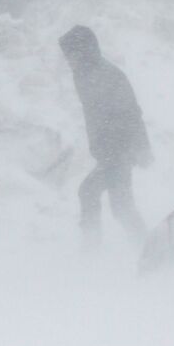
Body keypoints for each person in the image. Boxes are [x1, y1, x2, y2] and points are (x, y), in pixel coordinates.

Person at [58, 25, 152, 245]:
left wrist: (139, 147)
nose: (67, 60)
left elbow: (131, 112)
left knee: (92, 194)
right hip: (108, 150)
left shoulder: (107, 75)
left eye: (71, 54)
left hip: (119, 149)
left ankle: (95, 250)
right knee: (120, 206)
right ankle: (145, 246)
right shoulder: (83, 74)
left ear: (84, 51)